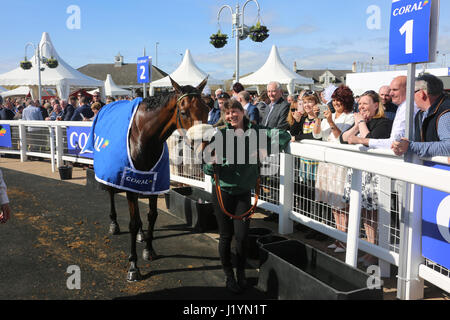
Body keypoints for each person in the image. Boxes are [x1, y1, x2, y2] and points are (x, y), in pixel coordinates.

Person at [203, 99, 291, 293]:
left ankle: (241, 273)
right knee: (226, 236)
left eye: (234, 111)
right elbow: (206, 164)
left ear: (242, 112)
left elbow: (284, 135)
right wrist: (213, 163)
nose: (231, 116)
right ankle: (229, 276)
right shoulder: (219, 134)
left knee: (242, 237)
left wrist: (266, 150)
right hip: (222, 191)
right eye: (227, 113)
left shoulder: (257, 132)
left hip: (243, 192)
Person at [341, 90, 393, 265]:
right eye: (360, 103)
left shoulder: (383, 122)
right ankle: (371, 249)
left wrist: (361, 123)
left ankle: (375, 250)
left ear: (376, 105)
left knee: (373, 213)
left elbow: (370, 139)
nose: (361, 107)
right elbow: (344, 138)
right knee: (364, 212)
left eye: (365, 103)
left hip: (375, 175)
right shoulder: (362, 122)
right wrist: (356, 125)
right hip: (359, 174)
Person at [313, 85, 355, 253]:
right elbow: (317, 135)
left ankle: (344, 239)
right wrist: (316, 118)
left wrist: (330, 121)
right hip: (327, 162)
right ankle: (338, 238)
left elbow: (340, 138)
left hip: (340, 164)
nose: (337, 102)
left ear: (347, 102)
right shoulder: (328, 115)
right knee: (332, 201)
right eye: (335, 99)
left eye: (340, 100)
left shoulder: (350, 117)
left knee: (342, 204)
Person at [289, 93, 325, 240]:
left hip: (317, 164)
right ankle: (309, 223)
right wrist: (296, 121)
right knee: (307, 193)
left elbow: (315, 136)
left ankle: (319, 227)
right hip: (305, 163)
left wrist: (297, 138)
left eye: (310, 102)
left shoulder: (320, 119)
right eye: (304, 103)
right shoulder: (304, 118)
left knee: (318, 196)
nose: (307, 105)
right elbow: (293, 132)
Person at [392, 73, 450, 158]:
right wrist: (402, 145)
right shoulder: (420, 114)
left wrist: (410, 146)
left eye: (412, 92)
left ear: (422, 93)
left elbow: (448, 147)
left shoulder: (445, 113)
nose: (411, 97)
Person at [367, 76, 418, 149]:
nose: (391, 94)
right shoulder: (402, 106)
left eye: (395, 90)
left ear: (408, 90)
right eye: (390, 90)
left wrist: (361, 140)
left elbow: (395, 142)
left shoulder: (409, 107)